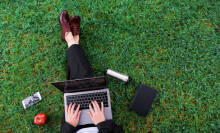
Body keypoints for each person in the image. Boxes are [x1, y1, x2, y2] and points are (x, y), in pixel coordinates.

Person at [59, 10, 124, 133]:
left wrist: (69, 126)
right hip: (100, 125)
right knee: (82, 80)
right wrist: (102, 124)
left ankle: (70, 38)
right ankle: (72, 39)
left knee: (78, 83)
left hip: (74, 126)